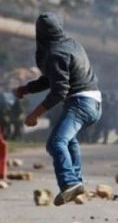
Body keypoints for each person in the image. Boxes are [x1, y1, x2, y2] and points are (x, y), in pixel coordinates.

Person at [14, 13, 102, 206]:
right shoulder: (72, 45)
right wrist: (27, 89)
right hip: (94, 101)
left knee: (55, 143)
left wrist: (34, 115)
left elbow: (59, 91)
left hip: (80, 103)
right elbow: (50, 79)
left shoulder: (55, 54)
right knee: (69, 141)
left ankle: (69, 182)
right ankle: (75, 182)